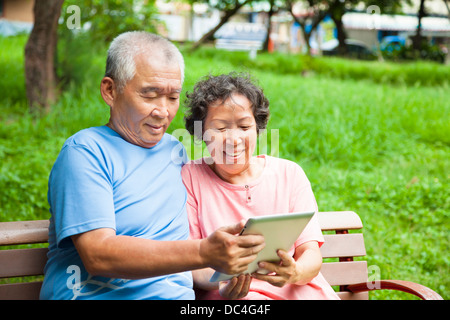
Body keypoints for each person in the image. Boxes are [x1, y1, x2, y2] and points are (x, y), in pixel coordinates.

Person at [40, 32, 264, 300]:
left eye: (172, 98)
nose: (163, 111)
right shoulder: (85, 152)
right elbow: (98, 254)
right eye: (150, 95)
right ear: (110, 91)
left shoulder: (174, 151)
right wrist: (203, 251)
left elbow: (183, 264)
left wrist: (228, 272)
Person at [182, 72, 339, 300]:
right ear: (201, 132)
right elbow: (192, 262)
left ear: (257, 128)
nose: (234, 139)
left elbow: (311, 252)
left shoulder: (289, 174)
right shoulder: (190, 177)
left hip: (300, 291)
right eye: (221, 128)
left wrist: (295, 272)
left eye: (244, 127)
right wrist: (223, 283)